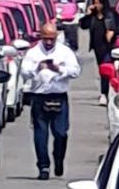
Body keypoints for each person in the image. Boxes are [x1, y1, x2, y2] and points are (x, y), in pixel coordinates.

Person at [19, 22, 80, 180]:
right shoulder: (33, 53)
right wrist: (37, 68)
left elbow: (75, 71)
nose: (48, 42)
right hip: (39, 97)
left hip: (59, 96)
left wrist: (59, 69)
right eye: (45, 38)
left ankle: (58, 159)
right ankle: (43, 166)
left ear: (56, 37)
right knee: (41, 133)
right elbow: (24, 72)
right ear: (41, 36)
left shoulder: (64, 52)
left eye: (51, 39)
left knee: (61, 133)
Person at [79, 0, 119, 105]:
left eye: (98, 3)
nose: (96, 5)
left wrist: (112, 32)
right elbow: (83, 25)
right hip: (97, 48)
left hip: (109, 47)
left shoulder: (111, 15)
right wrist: (88, 15)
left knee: (107, 70)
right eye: (94, 3)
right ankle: (105, 93)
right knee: (102, 71)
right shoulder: (93, 17)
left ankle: (106, 93)